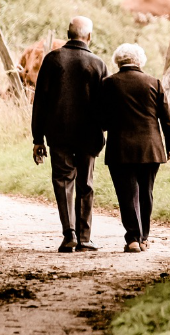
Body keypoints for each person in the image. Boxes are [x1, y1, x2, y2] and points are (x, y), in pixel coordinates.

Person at [31, 16, 109, 253]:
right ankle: (85, 238)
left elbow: (40, 102)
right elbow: (105, 104)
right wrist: (103, 129)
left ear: (68, 33)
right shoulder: (98, 64)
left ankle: (69, 235)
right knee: (86, 183)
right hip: (89, 135)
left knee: (63, 182)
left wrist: (38, 139)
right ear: (89, 37)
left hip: (59, 133)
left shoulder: (53, 60)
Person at [101, 43, 170, 253]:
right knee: (146, 192)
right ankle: (144, 238)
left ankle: (132, 239)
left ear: (118, 61)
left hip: (120, 148)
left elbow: (103, 120)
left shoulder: (108, 84)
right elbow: (167, 119)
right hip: (151, 148)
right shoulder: (154, 83)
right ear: (140, 61)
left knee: (127, 194)